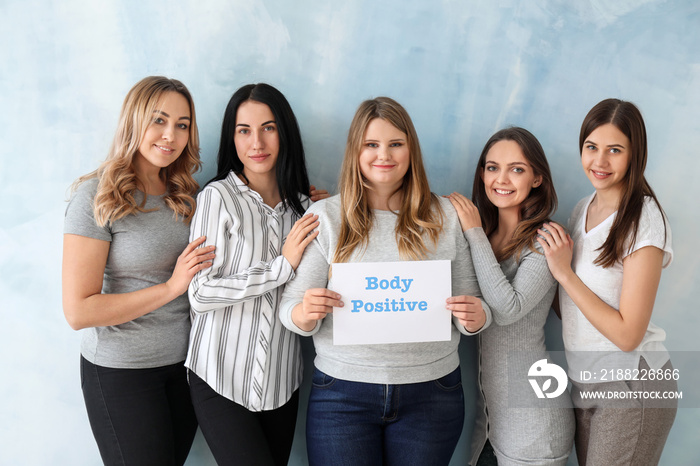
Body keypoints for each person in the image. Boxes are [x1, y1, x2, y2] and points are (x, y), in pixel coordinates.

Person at [279, 96, 492, 466]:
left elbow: (475, 307)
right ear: (355, 152)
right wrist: (304, 313)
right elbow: (289, 310)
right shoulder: (326, 217)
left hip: (432, 394)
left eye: (396, 144)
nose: (385, 155)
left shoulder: (445, 216)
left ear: (411, 150)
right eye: (372, 145)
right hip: (341, 396)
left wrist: (477, 317)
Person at [62, 76, 214, 465]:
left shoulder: (188, 197)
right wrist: (171, 287)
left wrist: (301, 198)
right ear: (133, 121)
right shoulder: (97, 196)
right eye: (158, 121)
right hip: (122, 372)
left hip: (186, 369)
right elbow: (79, 312)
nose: (170, 135)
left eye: (182, 124)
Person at [186, 83, 327, 466]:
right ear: (231, 138)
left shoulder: (304, 208)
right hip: (219, 376)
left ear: (284, 132)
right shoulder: (217, 198)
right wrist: (282, 265)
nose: (257, 142)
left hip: (282, 383)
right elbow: (200, 294)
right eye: (243, 130)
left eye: (268, 127)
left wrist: (333, 207)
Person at [537, 98, 677, 465]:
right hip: (584, 383)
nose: (599, 162)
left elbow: (628, 334)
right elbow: (573, 307)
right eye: (591, 147)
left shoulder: (644, 217)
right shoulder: (582, 209)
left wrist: (564, 272)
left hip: (631, 383)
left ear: (635, 155)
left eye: (614, 150)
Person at [447, 127, 574, 465]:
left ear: (536, 178)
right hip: (491, 423)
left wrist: (473, 231)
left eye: (516, 169)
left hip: (536, 423)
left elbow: (507, 309)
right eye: (492, 167)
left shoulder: (545, 240)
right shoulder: (482, 237)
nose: (501, 179)